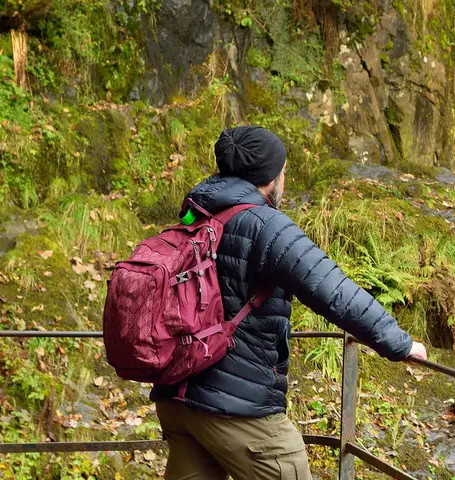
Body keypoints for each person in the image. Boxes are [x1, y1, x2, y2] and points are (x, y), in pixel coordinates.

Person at [151, 125, 427, 480]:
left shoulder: (195, 215)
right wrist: (400, 343)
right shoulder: (267, 226)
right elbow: (333, 290)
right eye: (283, 171)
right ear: (270, 178)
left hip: (177, 400)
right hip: (238, 409)